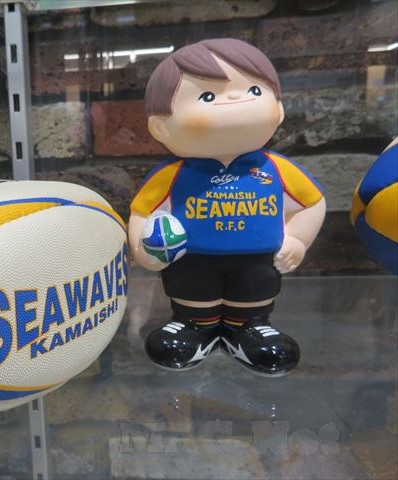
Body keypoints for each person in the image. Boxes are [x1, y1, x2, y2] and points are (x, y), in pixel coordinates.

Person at [128, 38, 326, 376]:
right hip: (192, 259)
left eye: (254, 91)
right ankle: (194, 325)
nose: (236, 99)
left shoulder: (276, 169)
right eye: (208, 96)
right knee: (193, 290)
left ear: (278, 110)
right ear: (160, 125)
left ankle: (249, 327)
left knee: (254, 290)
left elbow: (312, 203)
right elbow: (141, 212)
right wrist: (144, 251)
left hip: (257, 259)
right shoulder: (172, 174)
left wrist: (298, 239)